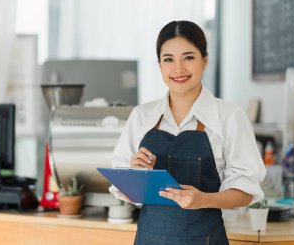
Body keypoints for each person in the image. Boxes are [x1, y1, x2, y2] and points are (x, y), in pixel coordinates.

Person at [109, 20, 266, 245]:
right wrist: (136, 175)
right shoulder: (141, 116)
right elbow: (123, 190)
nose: (179, 69)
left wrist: (203, 199)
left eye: (189, 57)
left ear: (205, 60)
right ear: (160, 65)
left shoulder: (230, 117)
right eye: (168, 60)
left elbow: (247, 192)